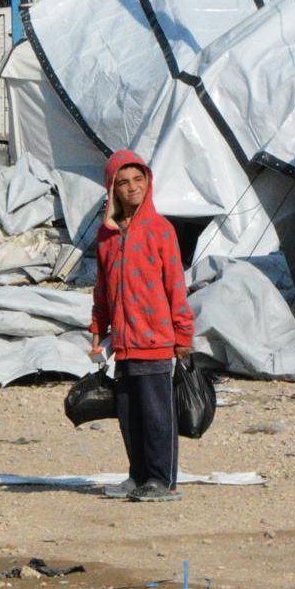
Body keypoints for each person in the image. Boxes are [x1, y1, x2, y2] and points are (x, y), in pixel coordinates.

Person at [89, 150, 194, 502]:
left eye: (138, 180)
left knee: (157, 416)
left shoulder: (160, 230)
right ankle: (138, 476)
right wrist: (97, 330)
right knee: (129, 414)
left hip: (155, 338)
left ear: (148, 182)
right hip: (123, 342)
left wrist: (183, 335)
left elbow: (175, 285)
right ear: (112, 189)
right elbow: (102, 290)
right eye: (123, 182)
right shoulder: (107, 236)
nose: (132, 188)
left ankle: (162, 481)